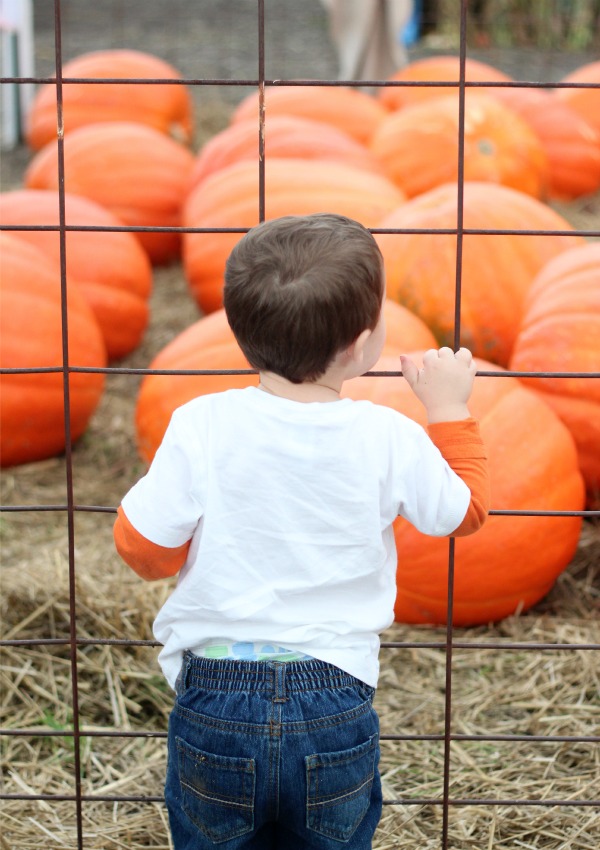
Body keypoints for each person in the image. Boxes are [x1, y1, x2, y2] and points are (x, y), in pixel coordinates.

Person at [113, 213, 490, 849]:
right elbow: (464, 513)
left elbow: (144, 552)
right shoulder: (388, 435)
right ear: (363, 343)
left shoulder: (200, 425)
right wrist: (449, 409)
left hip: (215, 698)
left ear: (237, 332)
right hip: (334, 696)